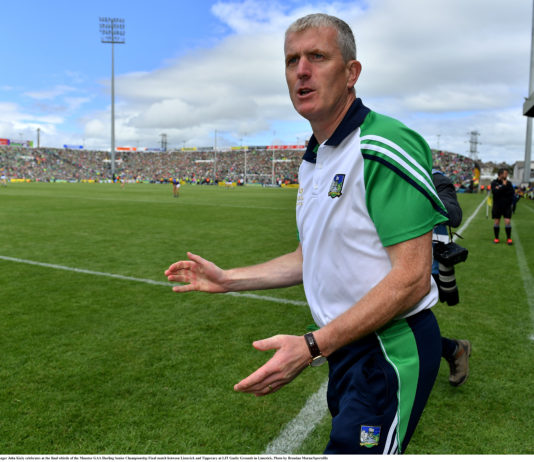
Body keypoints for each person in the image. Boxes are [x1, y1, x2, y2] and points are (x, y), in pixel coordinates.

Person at [165, 13, 447, 454]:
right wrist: (229, 279)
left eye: (317, 56)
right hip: (347, 347)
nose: (302, 70)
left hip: (389, 351)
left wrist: (312, 346)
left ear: (351, 72)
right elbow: (308, 255)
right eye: (292, 59)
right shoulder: (315, 158)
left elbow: (411, 277)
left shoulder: (382, 144)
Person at [432, 166, 471, 387]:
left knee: (404, 325)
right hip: (391, 263)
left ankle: (455, 350)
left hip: (428, 268)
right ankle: (455, 350)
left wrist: (420, 193)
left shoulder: (436, 178)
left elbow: (454, 216)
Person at [490, 168, 514, 244]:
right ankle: (496, 238)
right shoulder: (494, 183)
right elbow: (495, 192)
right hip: (497, 206)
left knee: (507, 221)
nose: (506, 175)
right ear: (500, 174)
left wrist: (501, 189)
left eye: (507, 174)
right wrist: (503, 187)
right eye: (505, 173)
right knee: (496, 222)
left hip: (507, 206)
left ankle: (509, 239)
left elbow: (511, 193)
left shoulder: (509, 183)